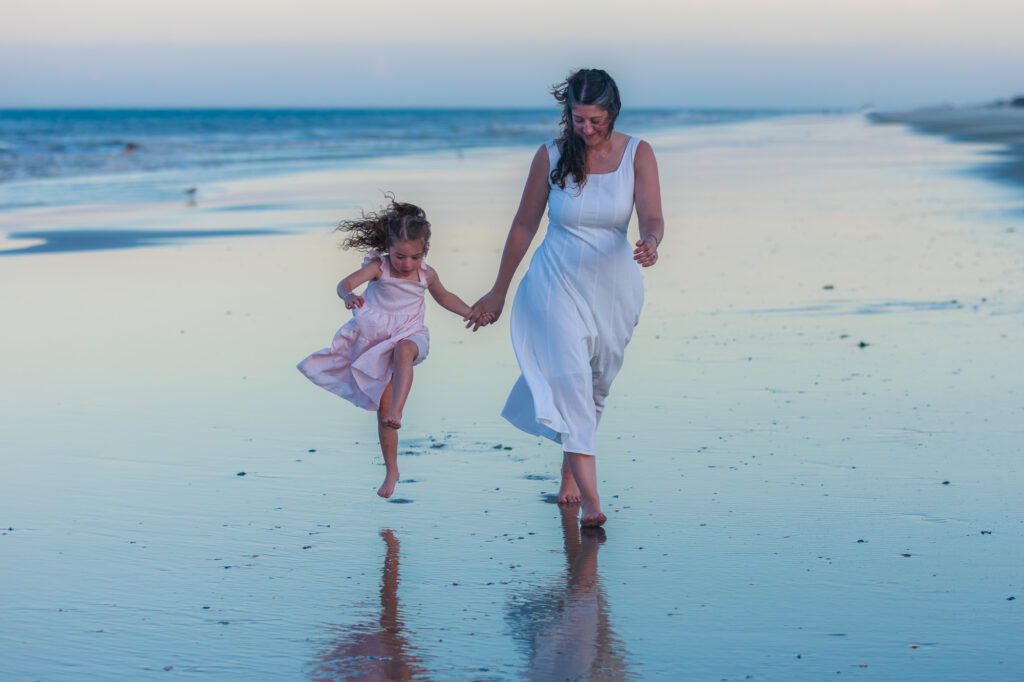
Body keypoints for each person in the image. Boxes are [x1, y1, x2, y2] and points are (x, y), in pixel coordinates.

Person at [466, 69, 664, 527]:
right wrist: (499, 290)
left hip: (615, 285)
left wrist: (651, 242)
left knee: (596, 384)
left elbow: (653, 216)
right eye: (578, 119)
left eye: (595, 120)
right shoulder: (551, 156)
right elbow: (523, 225)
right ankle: (594, 504)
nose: (587, 129)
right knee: (571, 378)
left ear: (612, 112)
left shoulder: (639, 153)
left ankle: (570, 469)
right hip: (555, 280)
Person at [298, 196, 489, 498]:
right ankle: (392, 470)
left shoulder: (426, 274)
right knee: (382, 413)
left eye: (414, 257)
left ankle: (399, 409)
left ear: (424, 252)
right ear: (389, 248)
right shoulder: (379, 268)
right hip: (376, 341)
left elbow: (445, 298)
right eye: (400, 256)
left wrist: (472, 313)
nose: (406, 264)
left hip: (411, 333)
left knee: (404, 352)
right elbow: (344, 284)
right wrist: (347, 296)